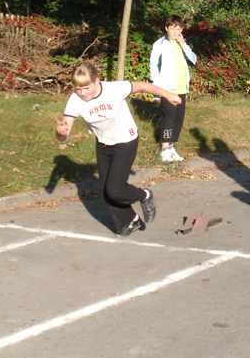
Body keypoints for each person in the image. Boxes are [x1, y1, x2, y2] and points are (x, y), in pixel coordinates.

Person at [55, 62, 181, 236]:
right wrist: (61, 132)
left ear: (97, 81)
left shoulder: (114, 89)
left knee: (115, 189)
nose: (83, 93)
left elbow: (143, 86)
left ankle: (144, 195)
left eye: (86, 88)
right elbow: (64, 132)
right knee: (107, 193)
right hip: (103, 144)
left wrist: (167, 95)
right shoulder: (75, 100)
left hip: (125, 140)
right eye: (78, 89)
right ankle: (131, 220)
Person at [150, 15, 198, 162]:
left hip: (181, 87)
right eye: (172, 29)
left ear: (182, 29)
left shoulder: (182, 44)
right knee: (169, 117)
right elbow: (154, 66)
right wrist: (156, 89)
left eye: (178, 29)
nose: (175, 32)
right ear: (166, 28)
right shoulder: (160, 44)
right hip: (167, 88)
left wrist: (183, 44)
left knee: (178, 119)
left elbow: (193, 60)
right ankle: (164, 149)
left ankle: (171, 148)